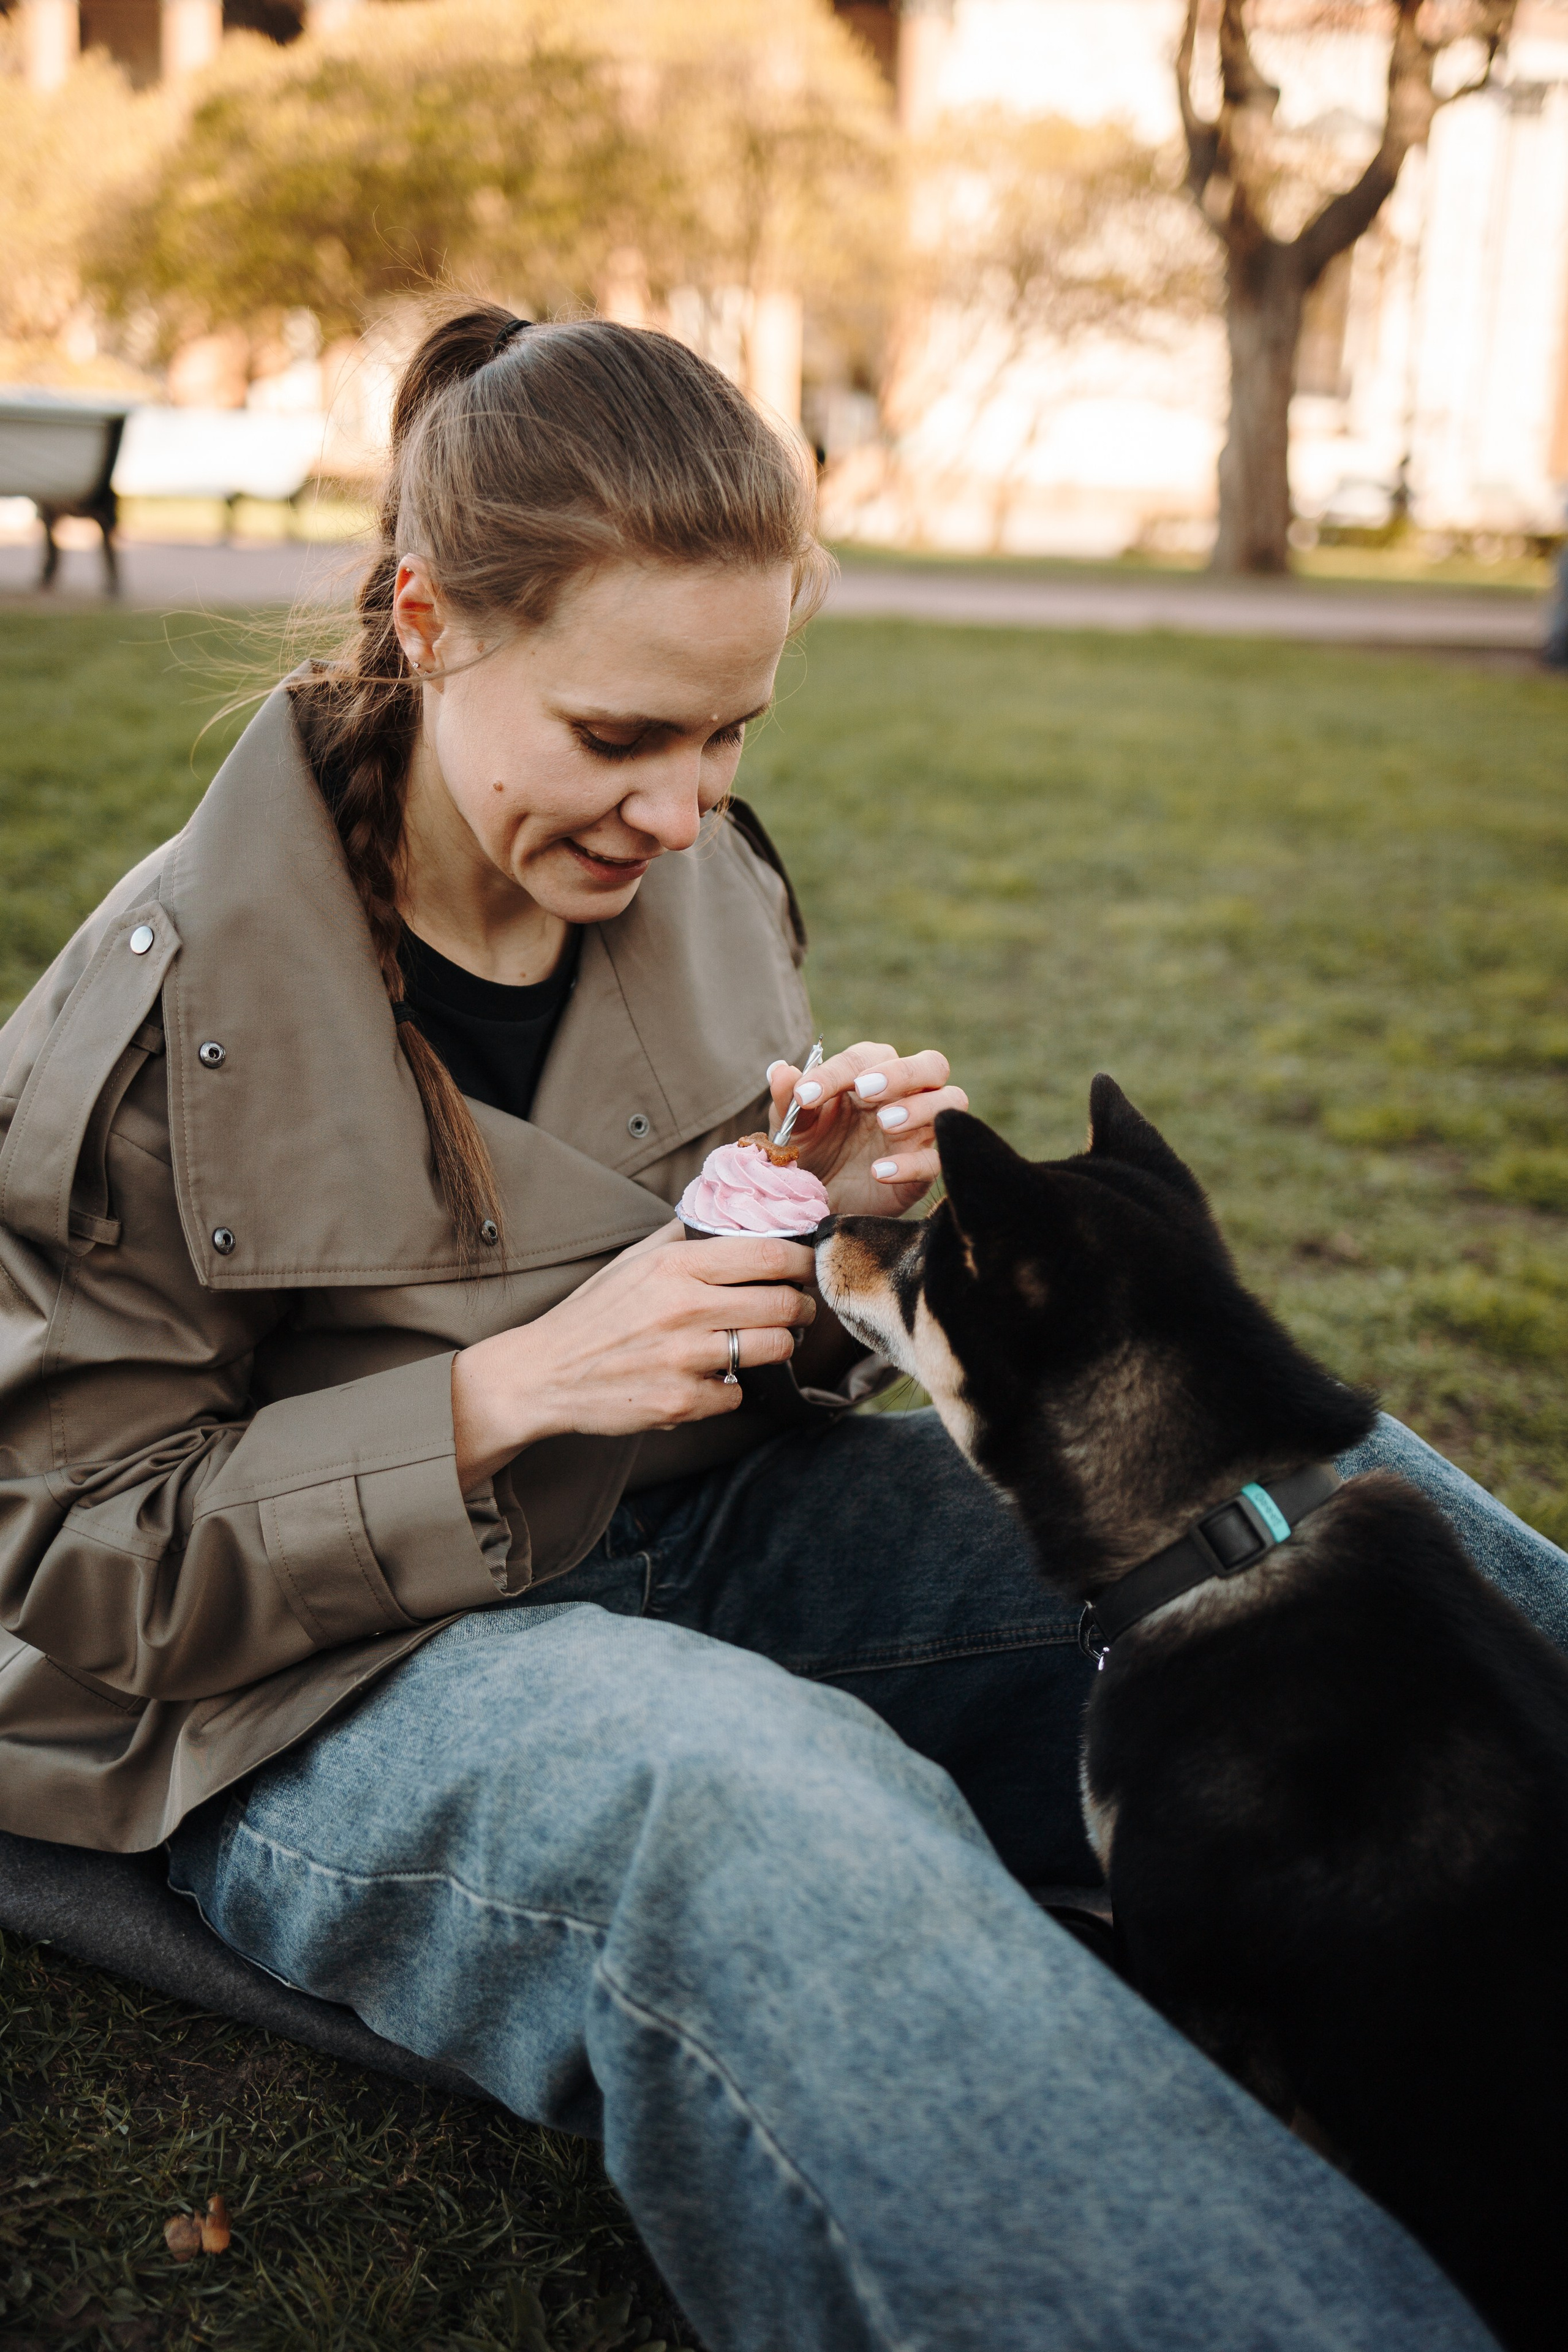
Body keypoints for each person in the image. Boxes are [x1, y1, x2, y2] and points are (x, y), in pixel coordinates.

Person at [0, 306, 1556, 2351]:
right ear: (430, 616)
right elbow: (60, 1570)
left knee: (1334, 1515)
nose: (683, 806)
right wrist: (489, 1401)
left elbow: (730, 1313)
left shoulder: (708, 875)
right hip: (324, 1682)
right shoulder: (140, 1028)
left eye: (731, 732)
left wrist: (833, 1248)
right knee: (759, 1801)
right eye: (622, 737)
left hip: (712, 1533)